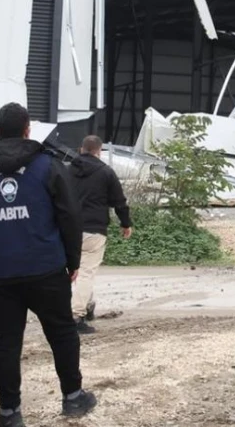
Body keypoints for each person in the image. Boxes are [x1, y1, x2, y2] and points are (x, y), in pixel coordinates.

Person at [0, 103, 97, 427]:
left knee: (5, 342)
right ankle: (73, 397)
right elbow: (70, 216)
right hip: (46, 268)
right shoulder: (48, 167)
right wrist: (72, 261)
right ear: (28, 129)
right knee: (61, 334)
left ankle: (9, 413)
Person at [69, 135, 132, 334]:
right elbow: (119, 202)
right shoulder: (106, 172)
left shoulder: (66, 170)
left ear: (81, 150)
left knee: (71, 271)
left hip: (67, 228)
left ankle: (88, 305)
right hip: (93, 229)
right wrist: (126, 224)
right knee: (86, 272)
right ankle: (76, 316)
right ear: (99, 151)